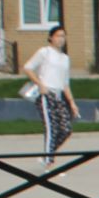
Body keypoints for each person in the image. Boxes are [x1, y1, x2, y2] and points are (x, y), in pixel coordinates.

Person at [23, 25, 79, 166]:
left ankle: (47, 155)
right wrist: (40, 84)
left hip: (59, 96)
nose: (61, 39)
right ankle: (49, 162)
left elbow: (65, 83)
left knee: (66, 129)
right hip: (46, 95)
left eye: (63, 36)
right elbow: (28, 67)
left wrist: (72, 102)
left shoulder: (65, 58)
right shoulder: (44, 52)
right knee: (51, 128)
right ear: (51, 37)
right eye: (58, 36)